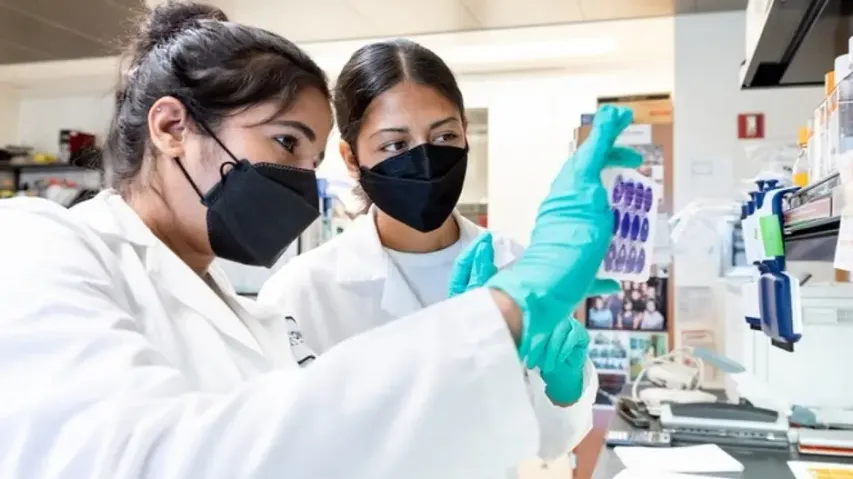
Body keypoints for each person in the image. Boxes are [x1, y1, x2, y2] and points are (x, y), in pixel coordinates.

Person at [0, 2, 641, 478]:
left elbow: (339, 445)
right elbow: (143, 460)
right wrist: (499, 316)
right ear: (172, 128)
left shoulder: (253, 322)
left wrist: (495, 349)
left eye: (309, 161)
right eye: (286, 143)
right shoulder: (36, 243)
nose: (300, 183)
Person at [258, 39, 622, 472]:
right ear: (351, 158)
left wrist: (564, 388)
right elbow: (293, 455)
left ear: (466, 133)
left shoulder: (514, 266)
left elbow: (549, 443)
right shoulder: (301, 294)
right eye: (395, 145)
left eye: (444, 136)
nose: (426, 160)